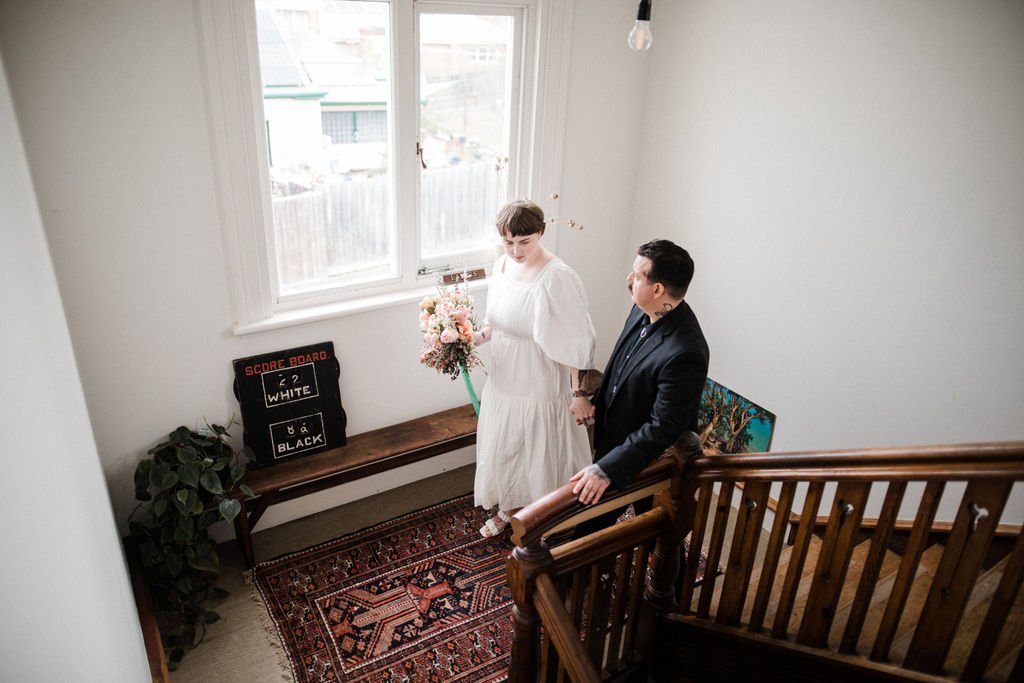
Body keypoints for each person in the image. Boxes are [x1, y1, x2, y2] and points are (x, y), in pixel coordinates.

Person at [473, 200, 596, 537]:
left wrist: (578, 393)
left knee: (535, 446)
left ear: (540, 233)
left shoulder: (558, 276)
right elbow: (494, 320)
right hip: (503, 374)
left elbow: (576, 341)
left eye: (524, 242)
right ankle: (508, 508)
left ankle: (542, 515)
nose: (515, 250)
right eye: (508, 242)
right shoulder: (501, 266)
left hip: (538, 376)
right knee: (508, 443)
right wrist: (473, 338)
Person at [570, 239, 709, 519]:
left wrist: (609, 468)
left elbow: (664, 426)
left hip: (649, 458)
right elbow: (624, 363)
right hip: (616, 438)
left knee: (656, 524)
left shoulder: (685, 352)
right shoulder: (642, 308)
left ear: (658, 289)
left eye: (637, 275)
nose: (629, 279)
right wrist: (594, 401)